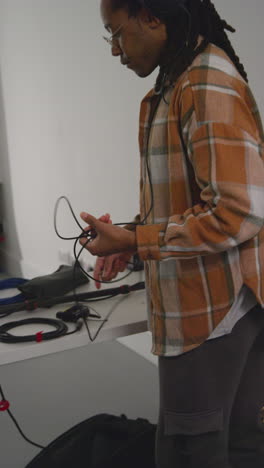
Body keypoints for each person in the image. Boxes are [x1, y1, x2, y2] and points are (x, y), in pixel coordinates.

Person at [80, 1, 264, 466]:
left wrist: (136, 241)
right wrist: (132, 237)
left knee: (192, 451)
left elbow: (238, 211)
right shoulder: (179, 80)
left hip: (211, 312)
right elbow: (195, 202)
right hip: (222, 303)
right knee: (238, 445)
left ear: (153, 17)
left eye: (116, 33)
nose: (116, 50)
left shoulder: (205, 82)